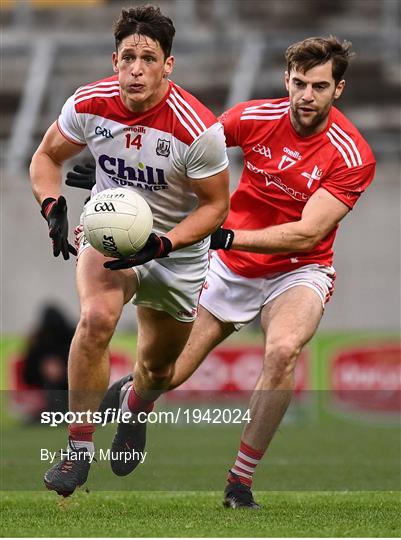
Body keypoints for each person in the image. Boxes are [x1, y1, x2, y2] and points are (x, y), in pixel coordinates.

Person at [68, 36, 376, 508]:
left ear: (339, 90)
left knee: (284, 350)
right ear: (286, 81)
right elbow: (190, 147)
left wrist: (224, 235)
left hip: (299, 270)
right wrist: (118, 174)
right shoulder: (254, 118)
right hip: (229, 268)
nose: (306, 96)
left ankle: (239, 481)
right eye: (299, 84)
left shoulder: (351, 154)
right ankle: (136, 402)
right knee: (166, 374)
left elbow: (306, 234)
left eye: (319, 86)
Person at [29, 5, 230, 498]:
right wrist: (53, 206)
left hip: (175, 250)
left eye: (148, 58)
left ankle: (135, 408)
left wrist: (166, 242)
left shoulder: (197, 128)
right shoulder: (89, 103)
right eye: (127, 57)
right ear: (114, 59)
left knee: (159, 369)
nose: (136, 69)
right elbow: (47, 157)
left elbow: (215, 206)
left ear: (168, 64)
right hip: (110, 235)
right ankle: (78, 450)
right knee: (96, 319)